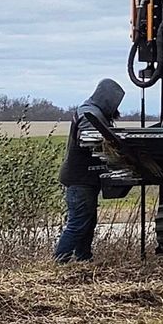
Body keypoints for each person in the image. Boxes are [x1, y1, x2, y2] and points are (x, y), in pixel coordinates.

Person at [54, 78, 125, 263]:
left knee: (87, 222)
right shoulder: (89, 113)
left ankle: (83, 259)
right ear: (107, 99)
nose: (116, 108)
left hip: (86, 178)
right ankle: (59, 261)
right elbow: (90, 139)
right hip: (80, 179)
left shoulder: (94, 112)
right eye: (115, 103)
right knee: (78, 223)